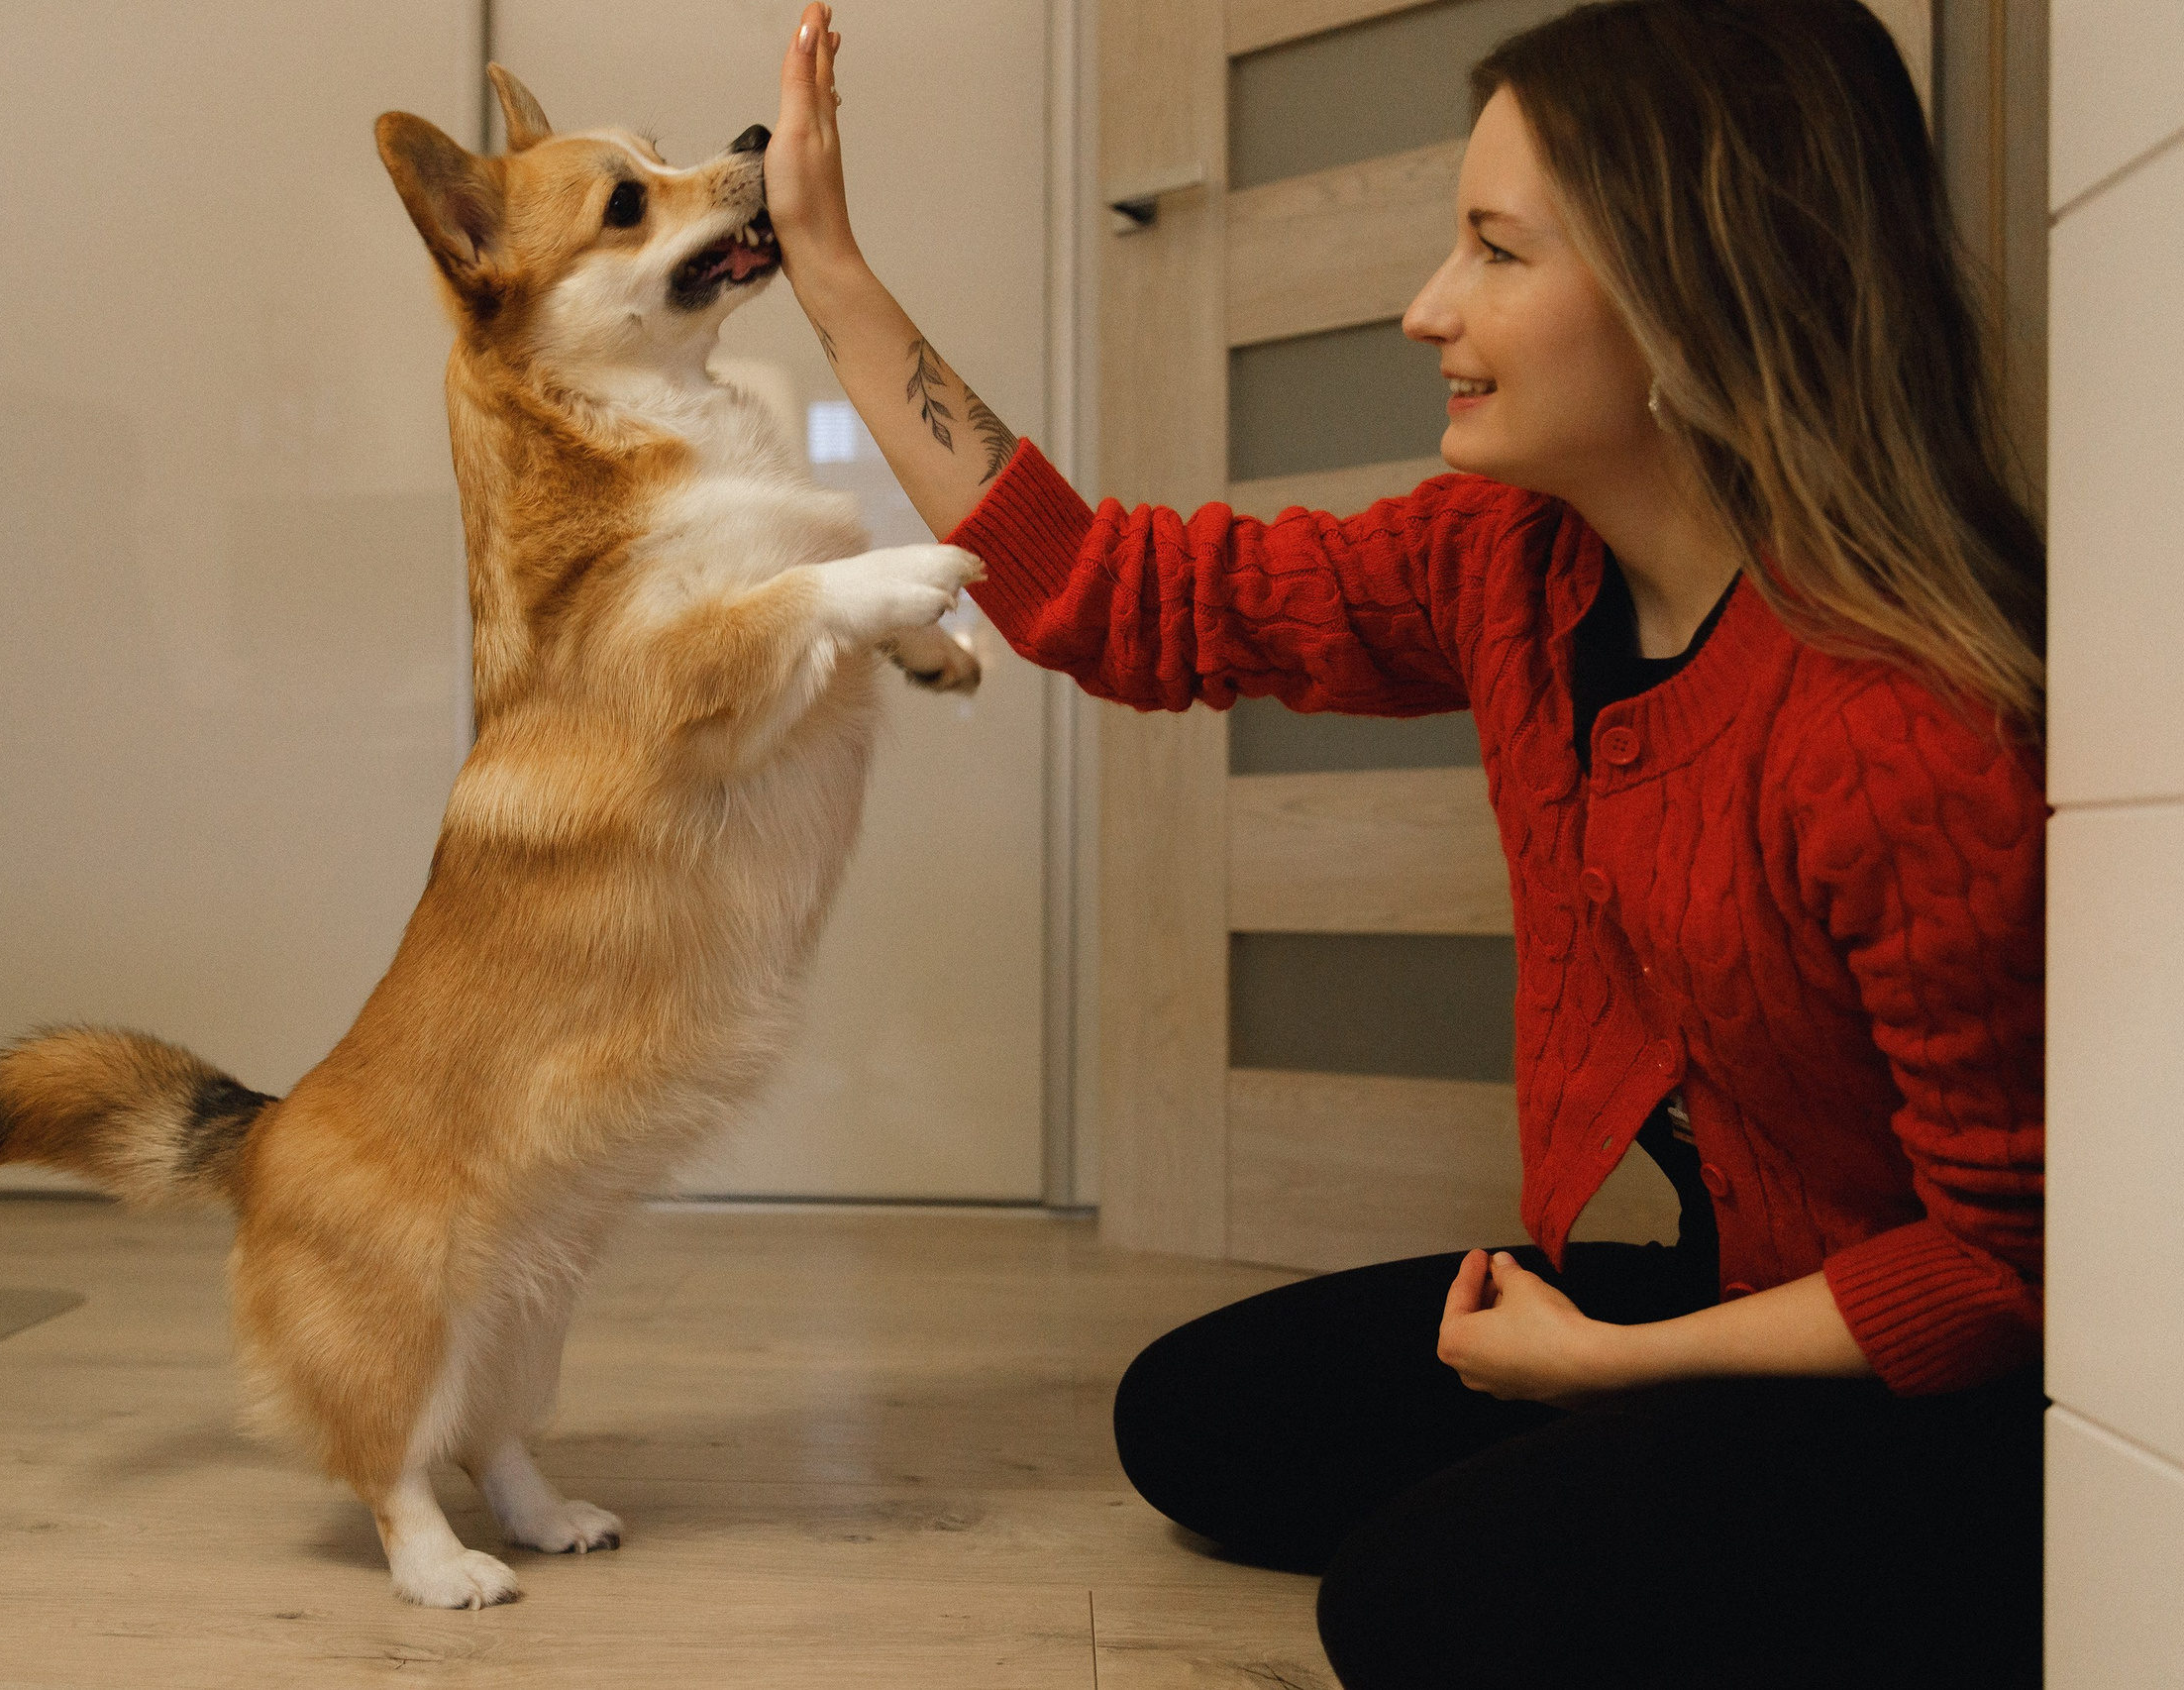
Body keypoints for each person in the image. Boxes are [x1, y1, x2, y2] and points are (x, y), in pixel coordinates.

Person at [765, 1, 2045, 1684]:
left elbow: (2000, 1272)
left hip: (1899, 1380)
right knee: (1197, 1424)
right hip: (1656, 1285)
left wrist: (1619, 1375)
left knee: (1417, 1611)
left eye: (1496, 252)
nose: (1425, 306)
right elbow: (1125, 598)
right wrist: (828, 264)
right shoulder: (1510, 561)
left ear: (1693, 293)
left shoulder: (1897, 728)